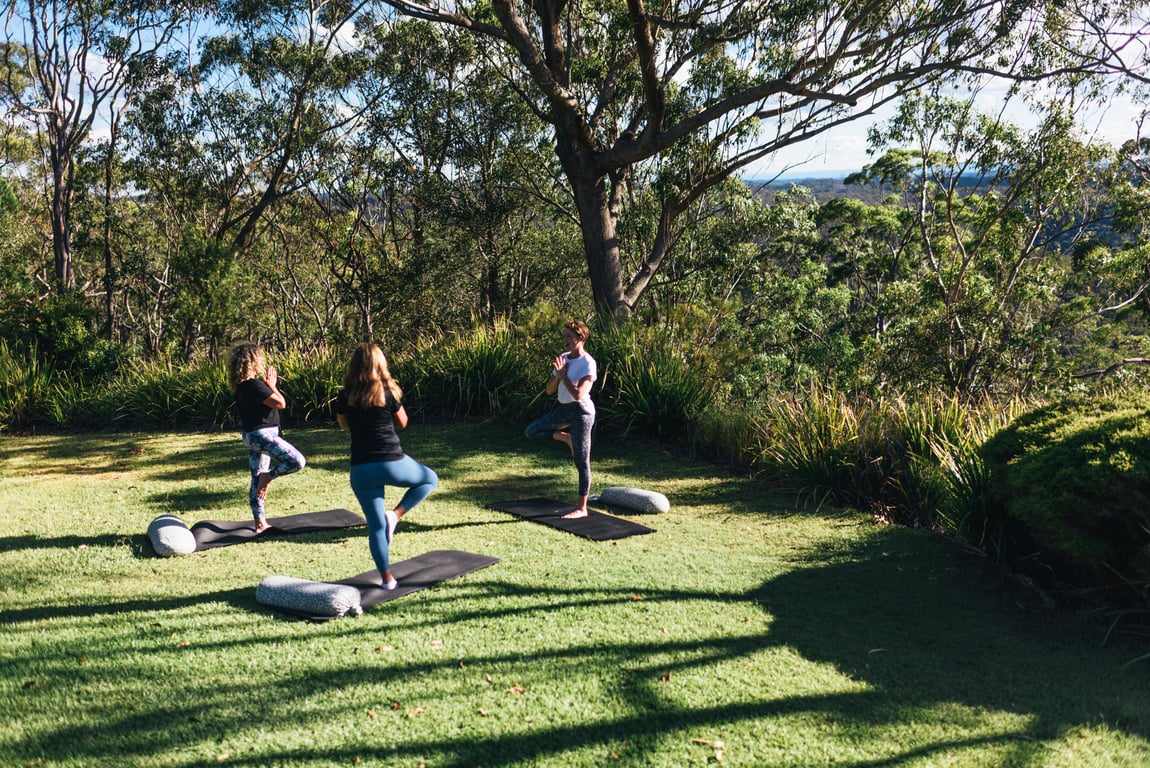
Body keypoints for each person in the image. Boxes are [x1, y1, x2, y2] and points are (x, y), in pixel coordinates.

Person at [336, 342, 439, 590]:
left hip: (361, 469)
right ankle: (396, 514)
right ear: (381, 364)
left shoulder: (345, 396)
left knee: (375, 527)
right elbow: (403, 422)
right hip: (392, 462)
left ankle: (386, 580)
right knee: (430, 479)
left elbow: (343, 425)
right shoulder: (387, 393)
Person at [227, 342, 307, 533]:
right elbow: (281, 403)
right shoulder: (254, 385)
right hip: (262, 435)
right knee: (297, 461)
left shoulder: (241, 387)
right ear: (252, 361)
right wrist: (272, 386)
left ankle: (260, 523)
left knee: (256, 479)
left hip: (252, 437)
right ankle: (267, 477)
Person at [524, 320, 597, 519]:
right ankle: (566, 438)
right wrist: (557, 375)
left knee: (582, 461)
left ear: (580, 339)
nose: (565, 340)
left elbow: (579, 395)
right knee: (531, 431)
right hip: (564, 410)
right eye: (564, 336)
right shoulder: (563, 358)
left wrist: (564, 376)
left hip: (582, 413)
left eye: (569, 337)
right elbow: (549, 391)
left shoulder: (587, 363)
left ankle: (582, 508)